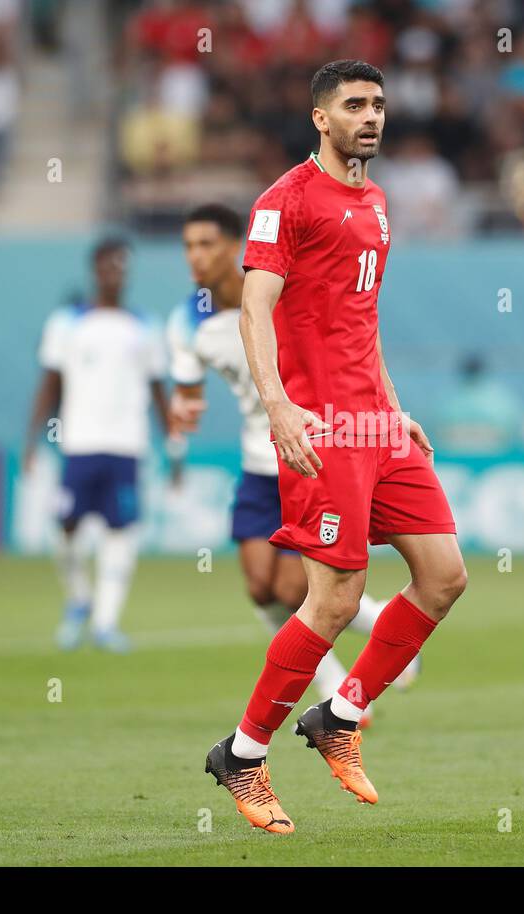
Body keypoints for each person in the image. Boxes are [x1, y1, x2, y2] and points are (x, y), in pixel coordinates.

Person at [203, 60, 467, 834]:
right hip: (318, 428)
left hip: (376, 426)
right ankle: (243, 754)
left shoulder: (379, 203)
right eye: (355, 105)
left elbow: (362, 319)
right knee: (336, 599)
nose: (372, 116)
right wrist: (279, 407)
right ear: (322, 117)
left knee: (445, 578)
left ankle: (339, 716)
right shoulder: (284, 201)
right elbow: (256, 310)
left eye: (379, 104)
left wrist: (394, 407)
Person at [165, 203, 411, 725]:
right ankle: (369, 633)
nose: (195, 257)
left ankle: (372, 645)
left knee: (300, 588)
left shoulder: (277, 294)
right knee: (262, 588)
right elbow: (187, 389)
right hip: (258, 461)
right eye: (188, 246)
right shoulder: (187, 322)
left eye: (206, 244)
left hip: (309, 453)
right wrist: (183, 409)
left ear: (236, 247)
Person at [23, 238, 170, 651]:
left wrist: (173, 447)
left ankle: (106, 622)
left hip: (127, 444)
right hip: (80, 443)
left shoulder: (145, 326)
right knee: (65, 528)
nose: (115, 272)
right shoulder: (66, 323)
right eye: (108, 265)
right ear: (94, 269)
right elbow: (49, 383)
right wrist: (31, 439)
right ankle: (79, 600)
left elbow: (159, 391)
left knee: (120, 531)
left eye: (122, 265)